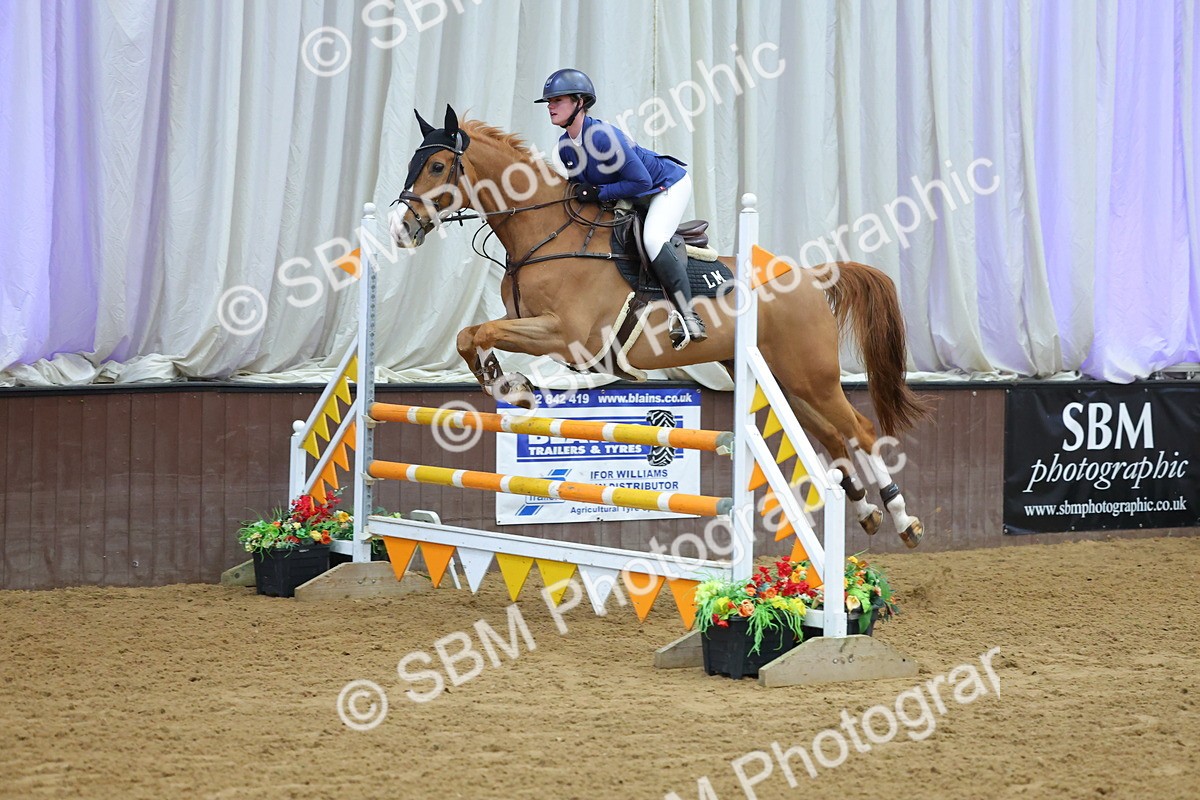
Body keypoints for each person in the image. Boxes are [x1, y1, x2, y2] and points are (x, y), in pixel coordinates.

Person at [536, 68, 706, 349]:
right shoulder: (565, 146)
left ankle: (689, 317)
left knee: (653, 239)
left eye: (558, 100)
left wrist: (598, 192)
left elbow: (641, 181)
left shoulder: (602, 136)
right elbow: (582, 190)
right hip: (632, 193)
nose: (551, 107)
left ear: (580, 102)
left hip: (665, 186)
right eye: (549, 102)